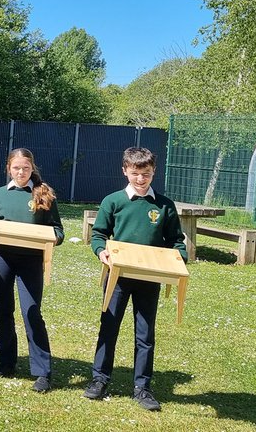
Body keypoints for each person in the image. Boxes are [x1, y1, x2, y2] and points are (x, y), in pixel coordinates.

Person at [84, 147, 186, 412]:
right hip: (117, 276)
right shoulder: (113, 201)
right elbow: (98, 235)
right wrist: (101, 251)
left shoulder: (164, 206)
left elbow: (176, 240)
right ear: (125, 171)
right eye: (135, 173)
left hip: (149, 277)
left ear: (154, 172)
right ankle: (100, 379)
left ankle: (142, 387)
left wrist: (178, 258)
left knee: (145, 333)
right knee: (109, 326)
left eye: (146, 174)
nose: (141, 179)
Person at [0, 148, 64, 392]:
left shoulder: (43, 194)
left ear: (32, 168)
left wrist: (53, 238)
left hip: (31, 261)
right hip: (2, 260)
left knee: (31, 312)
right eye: (16, 168)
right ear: (8, 168)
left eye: (25, 168)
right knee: (3, 311)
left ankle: (42, 372)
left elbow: (58, 229)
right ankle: (6, 362)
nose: (21, 172)